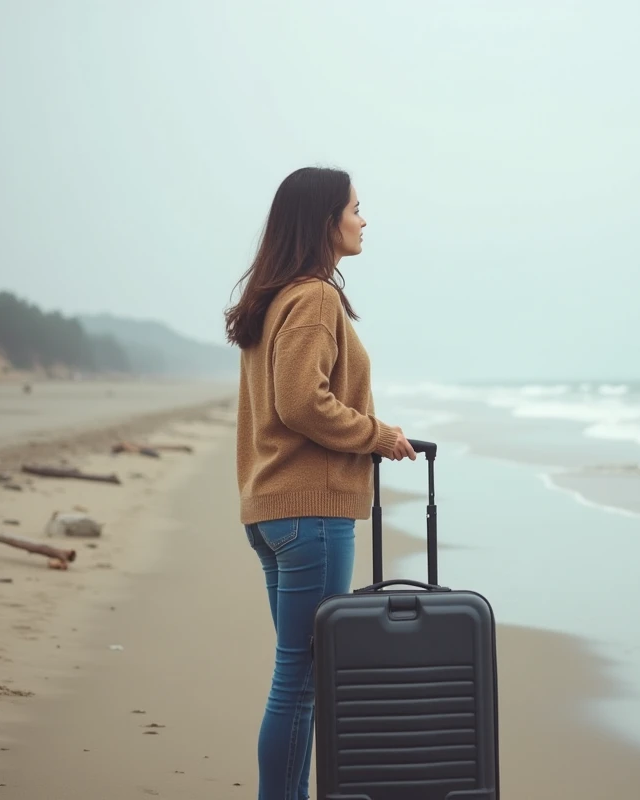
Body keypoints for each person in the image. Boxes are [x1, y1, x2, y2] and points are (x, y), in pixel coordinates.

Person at [224, 166, 417, 800]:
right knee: (300, 678)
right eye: (356, 208)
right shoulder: (313, 297)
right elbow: (301, 403)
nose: (364, 220)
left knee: (295, 675)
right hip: (311, 513)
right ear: (325, 220)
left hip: (273, 511)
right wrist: (378, 435)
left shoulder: (276, 296)